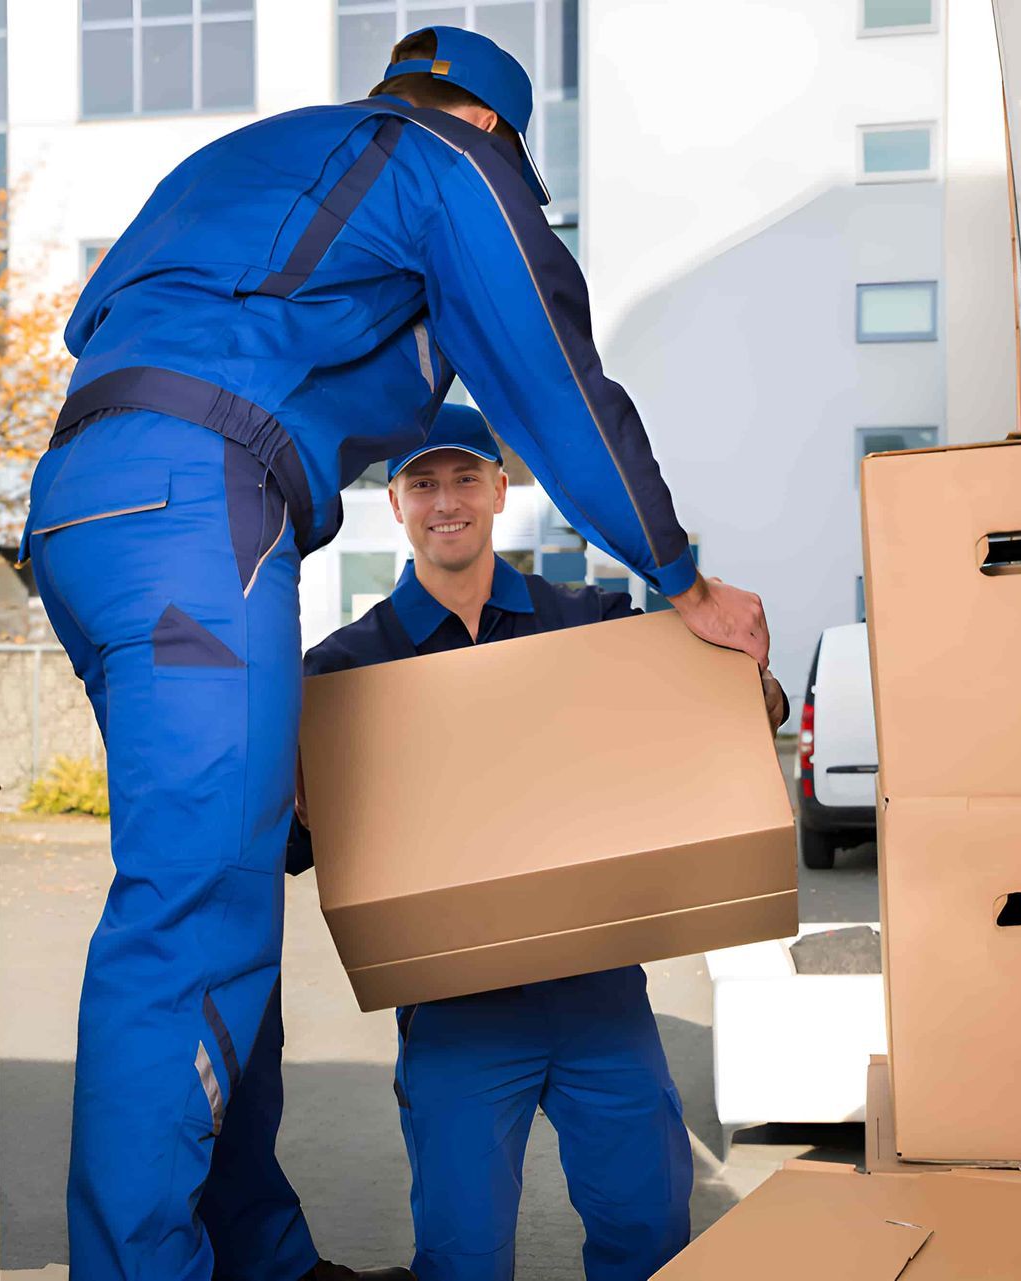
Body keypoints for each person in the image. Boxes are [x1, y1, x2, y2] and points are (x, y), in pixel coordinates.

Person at [17, 23, 772, 1281]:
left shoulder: (257, 161)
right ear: (496, 131)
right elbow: (552, 373)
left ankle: (258, 1255)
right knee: (191, 914)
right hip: (202, 506)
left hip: (85, 512)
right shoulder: (443, 160)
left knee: (218, 882)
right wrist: (676, 572)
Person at [287, 407, 788, 1281]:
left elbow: (707, 717)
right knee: (463, 1257)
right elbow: (298, 843)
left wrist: (757, 692)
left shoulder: (587, 621)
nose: (448, 501)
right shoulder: (344, 673)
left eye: (465, 478)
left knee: (649, 1233)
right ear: (395, 503)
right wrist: (291, 792)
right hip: (458, 1011)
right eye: (424, 483)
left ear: (500, 490)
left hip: (600, 995)